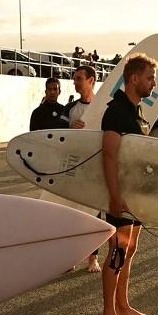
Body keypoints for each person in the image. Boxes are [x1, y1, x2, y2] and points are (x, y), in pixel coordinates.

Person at [99, 54, 156, 315]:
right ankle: (108, 313)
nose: (153, 84)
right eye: (149, 78)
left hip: (136, 195)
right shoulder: (116, 112)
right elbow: (109, 156)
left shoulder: (136, 111)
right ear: (133, 79)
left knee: (130, 248)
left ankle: (122, 305)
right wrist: (114, 195)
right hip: (120, 195)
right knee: (118, 251)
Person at [62, 65, 102, 272]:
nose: (75, 82)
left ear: (91, 80)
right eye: (74, 78)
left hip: (95, 170)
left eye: (79, 78)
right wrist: (69, 128)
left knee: (93, 214)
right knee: (73, 212)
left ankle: (93, 258)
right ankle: (71, 257)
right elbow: (57, 137)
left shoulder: (105, 107)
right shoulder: (69, 109)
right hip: (74, 168)